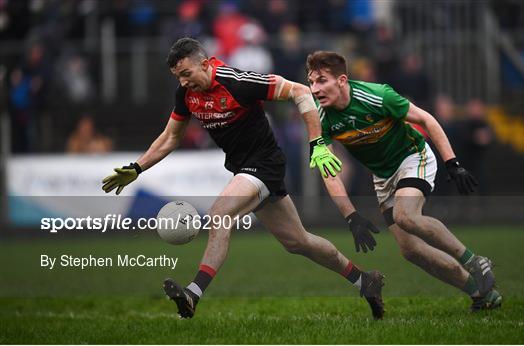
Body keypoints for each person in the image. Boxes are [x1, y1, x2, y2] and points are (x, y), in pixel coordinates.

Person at [101, 38, 385, 319]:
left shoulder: (238, 81)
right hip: (245, 169)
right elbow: (170, 138)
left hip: (265, 165)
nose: (184, 82)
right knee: (298, 242)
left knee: (220, 213)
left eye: (187, 74)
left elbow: (300, 91)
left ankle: (193, 294)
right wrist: (137, 168)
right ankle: (364, 281)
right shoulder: (185, 94)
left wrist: (317, 143)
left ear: (206, 63)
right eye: (178, 77)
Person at [305, 51, 501, 311]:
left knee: (405, 215)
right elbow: (328, 170)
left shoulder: (377, 95)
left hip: (413, 156)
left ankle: (476, 261)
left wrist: (452, 163)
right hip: (383, 176)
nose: (314, 89)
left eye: (321, 81)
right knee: (410, 251)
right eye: (311, 82)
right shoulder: (319, 118)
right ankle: (480, 294)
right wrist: (351, 216)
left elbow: (426, 120)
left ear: (342, 80)